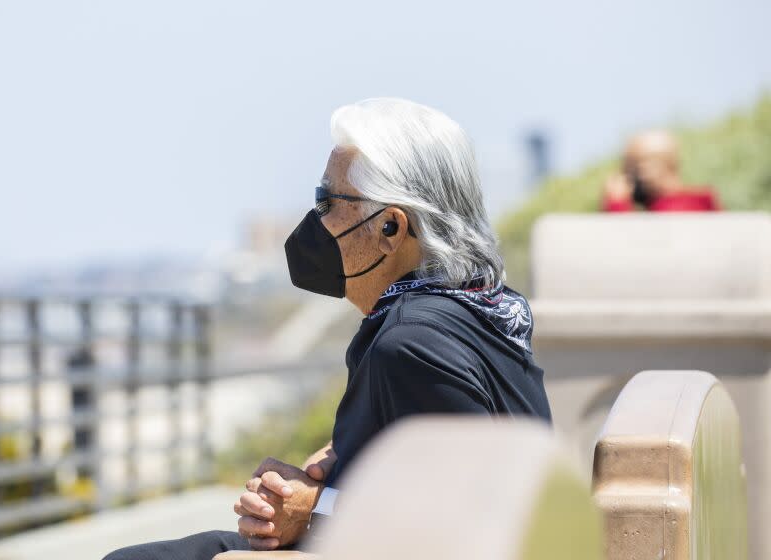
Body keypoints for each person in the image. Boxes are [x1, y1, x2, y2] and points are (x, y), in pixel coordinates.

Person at [104, 98, 552, 560]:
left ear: (390, 229)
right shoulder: (485, 305)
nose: (315, 218)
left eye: (327, 201)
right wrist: (341, 457)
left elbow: (469, 522)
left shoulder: (411, 343)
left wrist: (315, 507)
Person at [602, 130, 721, 212]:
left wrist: (617, 205)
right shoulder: (704, 202)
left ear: (648, 167)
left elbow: (633, 244)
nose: (629, 183)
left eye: (631, 171)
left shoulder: (678, 210)